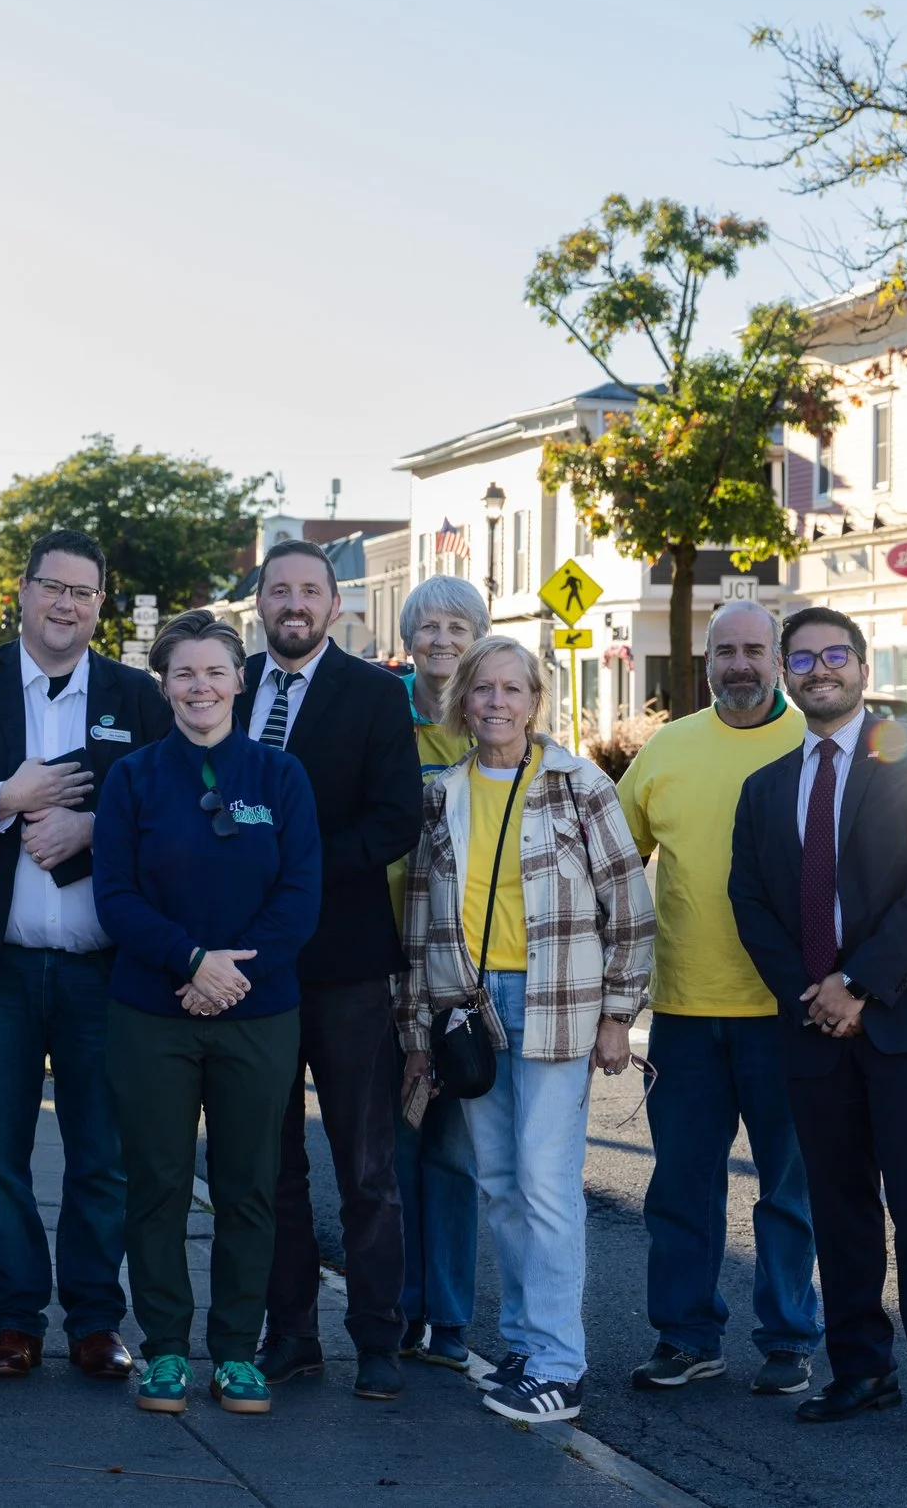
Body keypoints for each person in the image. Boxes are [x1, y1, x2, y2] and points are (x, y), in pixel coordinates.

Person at [0, 529, 174, 1381]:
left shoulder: (139, 694)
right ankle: (12, 1321)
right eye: (52, 586)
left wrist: (94, 828)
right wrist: (4, 799)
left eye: (83, 592)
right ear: (21, 592)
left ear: (100, 604)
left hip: (104, 968)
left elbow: (169, 812)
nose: (66, 604)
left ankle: (94, 1320)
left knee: (102, 1152)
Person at [727, 606, 907, 1447]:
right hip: (811, 1027)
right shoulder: (765, 787)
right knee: (838, 1208)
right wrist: (815, 993)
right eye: (800, 658)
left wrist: (859, 985)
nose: (818, 669)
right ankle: (860, 1370)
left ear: (864, 668)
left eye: (834, 654)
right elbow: (751, 902)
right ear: (783, 673)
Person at [397, 636, 653, 1426]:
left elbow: (632, 910)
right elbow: (419, 920)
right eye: (483, 689)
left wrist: (618, 1013)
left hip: (559, 1004)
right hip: (469, 1013)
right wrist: (417, 1027)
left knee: (546, 1183)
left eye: (514, 688)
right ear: (462, 701)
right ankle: (521, 1342)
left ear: (536, 701)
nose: (498, 702)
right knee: (500, 1183)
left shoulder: (579, 786)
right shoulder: (441, 794)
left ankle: (560, 1366)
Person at [93, 610, 320, 1417]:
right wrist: (191, 963)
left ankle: (233, 1353)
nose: (201, 687)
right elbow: (115, 895)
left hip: (259, 1014)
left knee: (248, 1185)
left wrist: (229, 975)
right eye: (184, 674)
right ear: (163, 686)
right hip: (153, 1010)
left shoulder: (279, 777)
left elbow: (298, 899)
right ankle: (161, 1349)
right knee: (155, 1183)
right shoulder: (134, 778)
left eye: (216, 672)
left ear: (240, 680)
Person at [616, 600, 823, 1397]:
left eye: (753, 649)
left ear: (778, 659)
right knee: (681, 1185)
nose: (739, 663)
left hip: (790, 1013)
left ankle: (788, 1337)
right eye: (723, 650)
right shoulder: (669, 749)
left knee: (790, 1189)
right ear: (704, 661)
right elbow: (613, 859)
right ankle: (686, 1334)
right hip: (686, 1014)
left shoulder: (814, 745)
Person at [244, 539, 423, 1401]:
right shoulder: (228, 683)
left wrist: (298, 870)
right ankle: (293, 1335)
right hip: (251, 971)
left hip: (347, 963)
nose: (294, 604)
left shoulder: (375, 694)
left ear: (335, 602)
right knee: (269, 1165)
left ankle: (378, 1339)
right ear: (260, 600)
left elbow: (397, 818)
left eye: (309, 590)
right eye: (280, 589)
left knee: (367, 1166)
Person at [391, 574, 488, 1371]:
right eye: (428, 625)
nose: (443, 639)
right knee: (388, 1148)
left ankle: (449, 1321)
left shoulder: (494, 722)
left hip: (463, 976)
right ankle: (397, 1307)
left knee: (452, 1153)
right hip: (381, 963)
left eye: (459, 625)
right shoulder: (380, 718)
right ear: (409, 637)